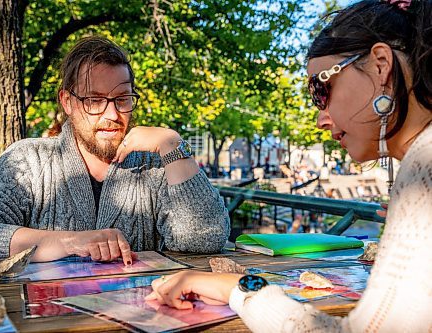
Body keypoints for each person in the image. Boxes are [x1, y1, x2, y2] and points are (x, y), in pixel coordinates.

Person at [147, 1, 432, 331]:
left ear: (381, 65)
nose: (320, 119)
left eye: (321, 89)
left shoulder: (422, 173)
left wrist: (242, 289)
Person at [0, 36, 230, 264]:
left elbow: (205, 239)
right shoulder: (29, 160)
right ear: (67, 102)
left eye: (122, 99)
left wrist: (172, 143)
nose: (112, 114)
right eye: (94, 100)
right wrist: (72, 242)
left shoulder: (155, 165)